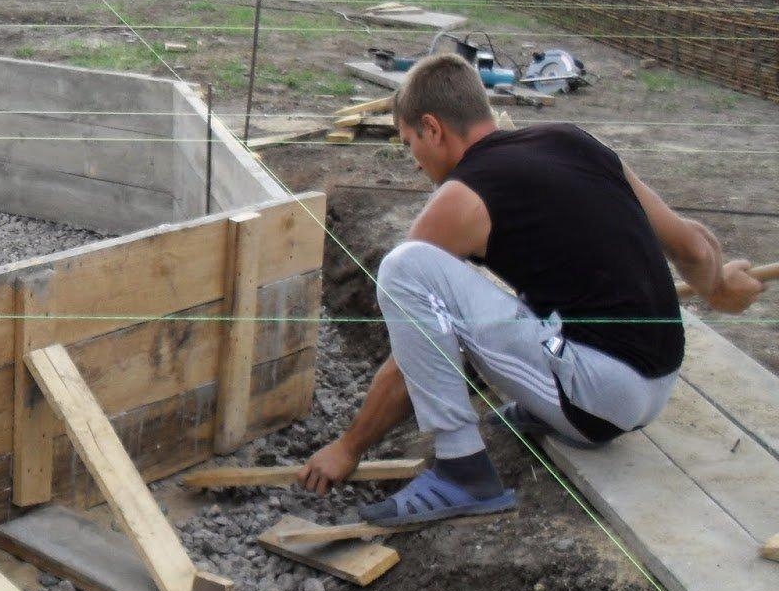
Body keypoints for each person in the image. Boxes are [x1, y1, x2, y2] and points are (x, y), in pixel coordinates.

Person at [298, 52, 765, 524]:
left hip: (601, 398)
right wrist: (718, 288)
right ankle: (546, 409)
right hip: (657, 382)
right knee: (527, 293)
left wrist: (349, 447)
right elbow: (694, 247)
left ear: (433, 128)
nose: (414, 162)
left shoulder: (459, 200)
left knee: (405, 268)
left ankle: (462, 471)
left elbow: (413, 356)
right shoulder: (572, 140)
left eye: (409, 143)